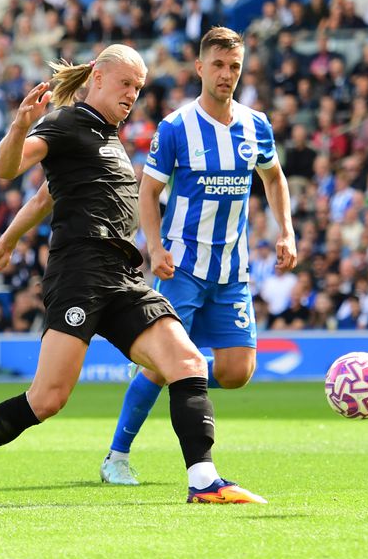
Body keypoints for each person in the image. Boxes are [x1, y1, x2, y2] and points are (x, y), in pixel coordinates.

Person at [0, 44, 265, 505]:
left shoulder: (109, 137)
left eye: (139, 88)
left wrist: (7, 242)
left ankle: (204, 480)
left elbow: (46, 197)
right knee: (45, 400)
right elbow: (7, 169)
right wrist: (18, 126)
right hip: (79, 274)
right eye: (126, 84)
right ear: (98, 78)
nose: (133, 95)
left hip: (123, 275)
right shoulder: (65, 123)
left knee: (185, 363)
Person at [98, 26, 295, 485]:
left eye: (235, 68)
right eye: (219, 66)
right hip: (182, 266)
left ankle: (168, 367)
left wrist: (285, 230)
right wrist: (155, 247)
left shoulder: (255, 125)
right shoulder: (176, 127)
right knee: (163, 365)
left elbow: (274, 178)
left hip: (232, 269)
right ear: (201, 68)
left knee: (237, 371)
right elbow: (148, 193)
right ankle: (116, 458)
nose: (227, 75)